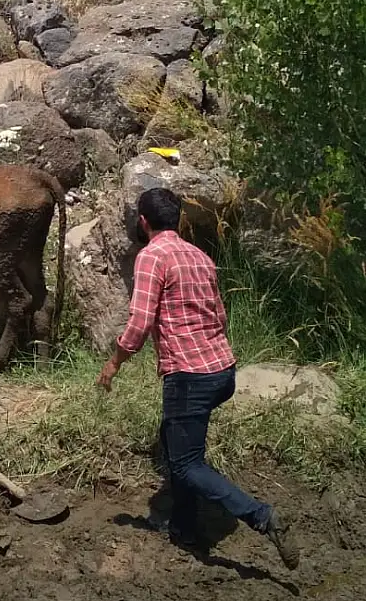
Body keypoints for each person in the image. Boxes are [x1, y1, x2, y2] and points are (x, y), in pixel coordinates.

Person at [95, 188, 299, 570]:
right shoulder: (199, 256)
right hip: (222, 371)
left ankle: (260, 516)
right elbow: (219, 317)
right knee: (175, 446)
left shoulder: (152, 257)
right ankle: (185, 528)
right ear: (178, 220)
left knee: (186, 463)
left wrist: (114, 363)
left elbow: (139, 324)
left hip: (189, 376)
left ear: (143, 221)